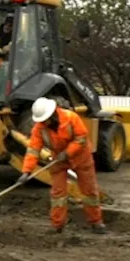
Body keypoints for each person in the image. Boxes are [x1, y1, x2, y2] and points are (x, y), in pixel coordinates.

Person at [19, 97, 107, 234]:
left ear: (52, 114)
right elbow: (33, 150)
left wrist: (67, 152)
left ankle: (96, 222)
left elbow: (81, 138)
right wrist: (26, 171)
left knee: (89, 191)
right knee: (58, 194)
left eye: (45, 119)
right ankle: (57, 225)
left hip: (81, 158)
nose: (43, 122)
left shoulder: (71, 118)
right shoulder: (39, 128)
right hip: (58, 160)